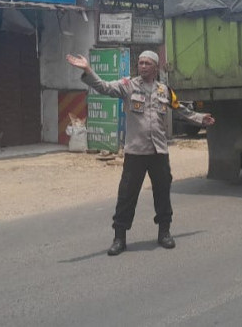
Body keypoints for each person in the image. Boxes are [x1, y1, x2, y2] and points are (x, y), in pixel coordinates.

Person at [66, 50, 216, 256]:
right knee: (127, 195)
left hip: (159, 152)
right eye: (141, 63)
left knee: (162, 193)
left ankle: (164, 233)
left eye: (147, 63)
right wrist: (88, 70)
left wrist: (200, 118)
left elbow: (179, 108)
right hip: (136, 152)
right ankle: (119, 238)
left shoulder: (165, 90)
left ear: (155, 67)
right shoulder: (128, 86)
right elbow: (104, 87)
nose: (143, 66)